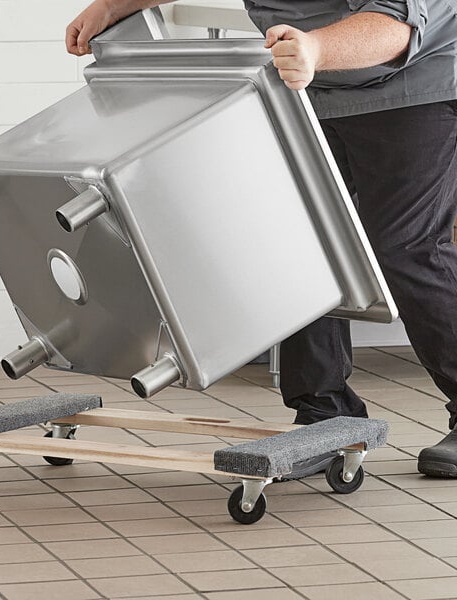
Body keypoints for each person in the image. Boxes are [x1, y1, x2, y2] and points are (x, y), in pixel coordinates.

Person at [66, 0, 457, 478]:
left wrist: (315, 46)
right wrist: (111, 7)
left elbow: (398, 23)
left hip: (414, 85)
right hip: (305, 86)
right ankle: (323, 413)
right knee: (293, 244)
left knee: (406, 250)